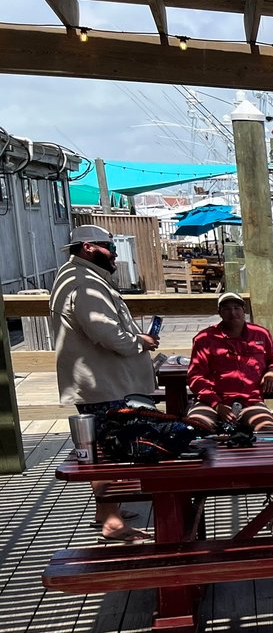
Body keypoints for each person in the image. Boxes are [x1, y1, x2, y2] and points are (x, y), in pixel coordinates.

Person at [48, 224, 159, 541]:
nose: (113, 253)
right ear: (87, 248)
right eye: (107, 246)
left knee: (103, 449)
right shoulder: (82, 284)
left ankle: (106, 511)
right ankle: (111, 522)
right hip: (104, 385)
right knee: (111, 451)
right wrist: (141, 342)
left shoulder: (81, 277)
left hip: (103, 383)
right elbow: (108, 334)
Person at [184, 292, 273, 435]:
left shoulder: (261, 333)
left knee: (268, 430)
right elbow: (195, 377)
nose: (233, 312)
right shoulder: (204, 338)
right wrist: (216, 404)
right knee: (192, 430)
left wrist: (272, 370)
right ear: (219, 313)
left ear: (244, 310)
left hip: (250, 401)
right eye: (226, 309)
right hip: (211, 403)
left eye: (236, 307)